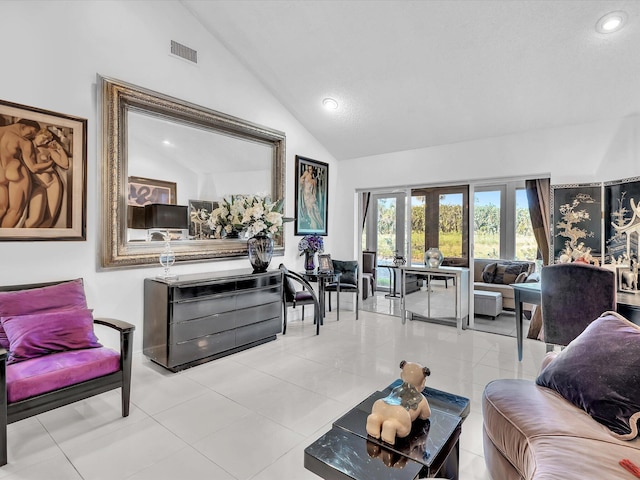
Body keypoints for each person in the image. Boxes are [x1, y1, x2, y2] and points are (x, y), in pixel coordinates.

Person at [0, 119, 53, 228]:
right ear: (25, 124)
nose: (32, 135)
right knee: (15, 212)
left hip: (4, 172)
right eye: (33, 131)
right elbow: (33, 168)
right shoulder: (24, 142)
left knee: (2, 209)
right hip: (16, 171)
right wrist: (50, 163)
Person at [24, 127, 69, 228]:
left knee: (50, 219)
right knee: (35, 219)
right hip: (37, 184)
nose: (45, 141)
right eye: (43, 138)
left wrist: (59, 148)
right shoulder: (26, 146)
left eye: (47, 140)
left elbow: (65, 164)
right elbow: (33, 168)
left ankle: (38, 241)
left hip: (53, 183)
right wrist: (50, 163)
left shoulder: (47, 149)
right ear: (37, 134)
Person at [299, 164, 323, 230]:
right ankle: (312, 225)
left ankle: (315, 226)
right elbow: (300, 180)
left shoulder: (313, 181)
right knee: (308, 211)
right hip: (305, 196)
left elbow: (314, 191)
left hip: (310, 196)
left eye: (311, 169)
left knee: (313, 211)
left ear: (313, 171)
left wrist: (314, 198)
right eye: (309, 169)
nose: (310, 171)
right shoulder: (305, 176)